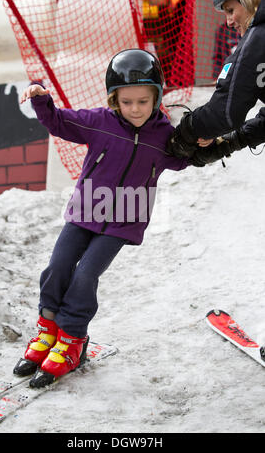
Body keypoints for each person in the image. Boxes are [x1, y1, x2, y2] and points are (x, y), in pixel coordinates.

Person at [13, 49, 195, 388]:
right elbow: (58, 121)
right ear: (115, 100)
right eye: (127, 102)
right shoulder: (99, 122)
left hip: (123, 221)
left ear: (156, 97)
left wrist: (203, 141)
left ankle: (71, 342)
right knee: (57, 267)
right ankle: (47, 332)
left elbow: (184, 158)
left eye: (143, 101)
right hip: (85, 212)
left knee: (85, 275)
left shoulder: (163, 136)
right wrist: (41, 97)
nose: (136, 109)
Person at [167, 0, 265, 166]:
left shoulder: (257, 39)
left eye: (230, 10)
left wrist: (183, 135)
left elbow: (225, 113)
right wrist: (234, 140)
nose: (228, 22)